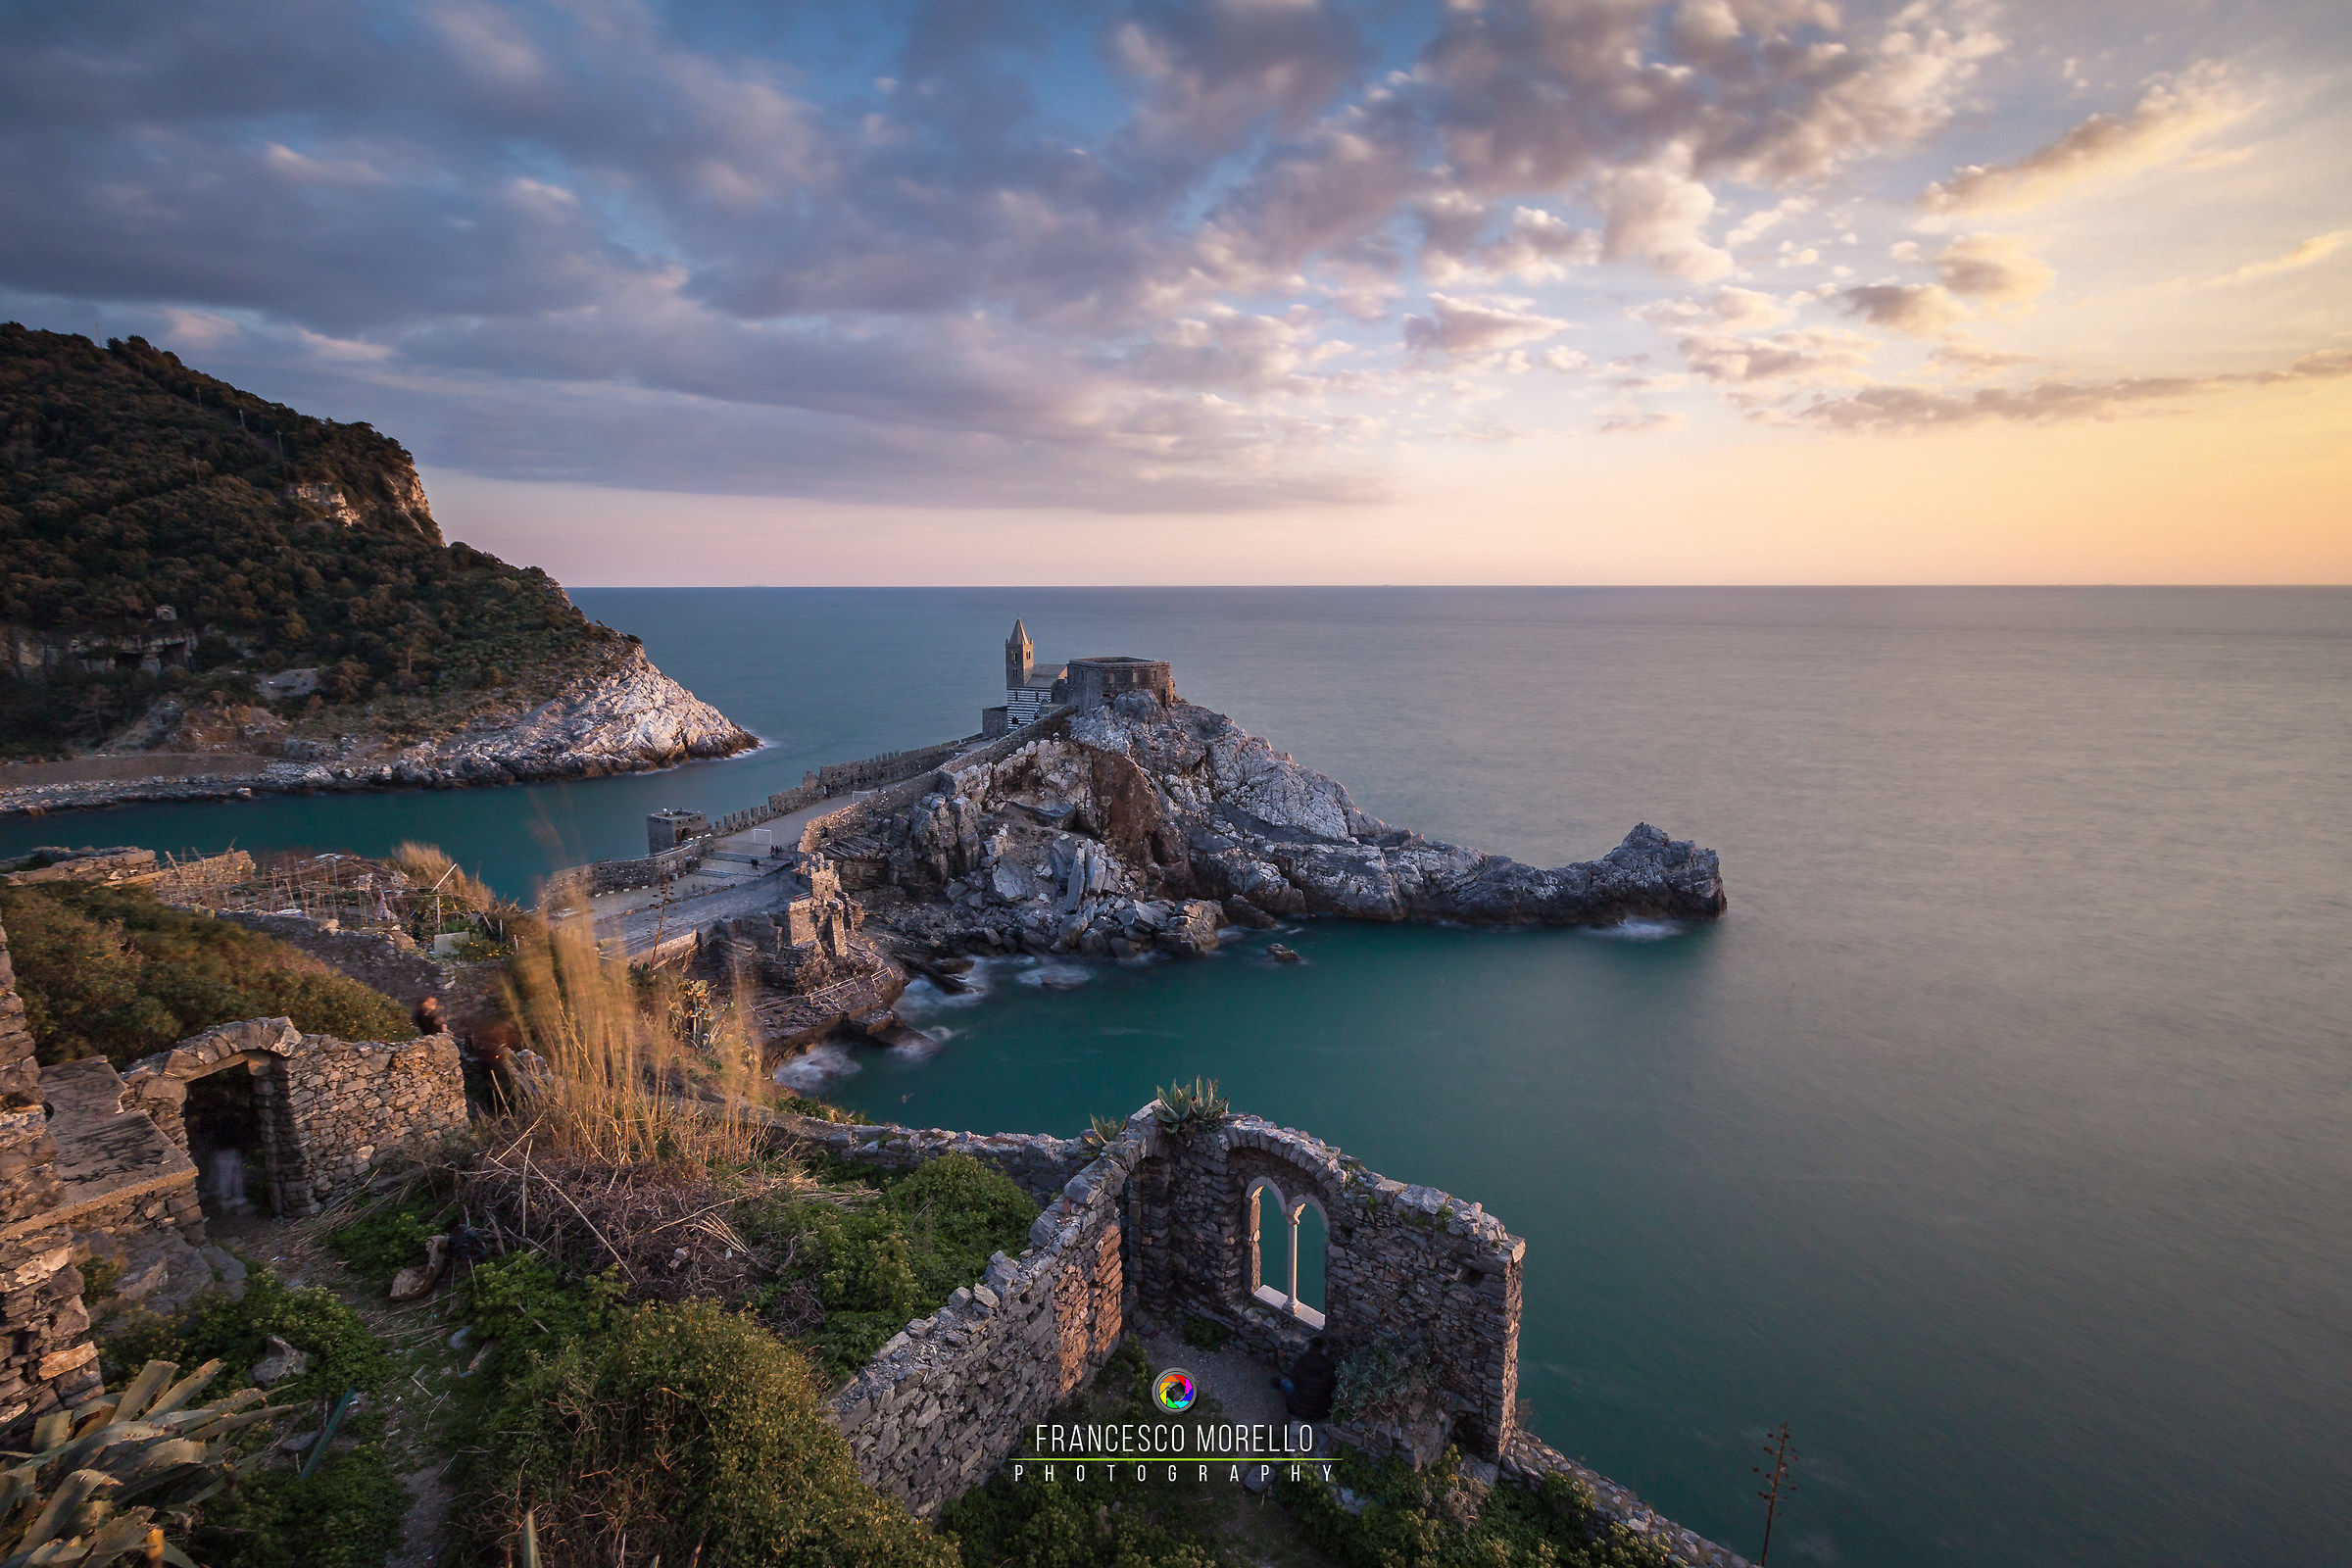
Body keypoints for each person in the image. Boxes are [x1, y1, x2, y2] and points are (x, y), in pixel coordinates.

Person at [1273, 1334, 1337, 1422]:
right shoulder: (1330, 1367)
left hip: (1296, 1409)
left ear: (1310, 1348)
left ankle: (1277, 1382)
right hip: (1321, 1412)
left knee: (1285, 1383)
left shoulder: (1301, 1361)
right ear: (1323, 1350)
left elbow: (1295, 1381)